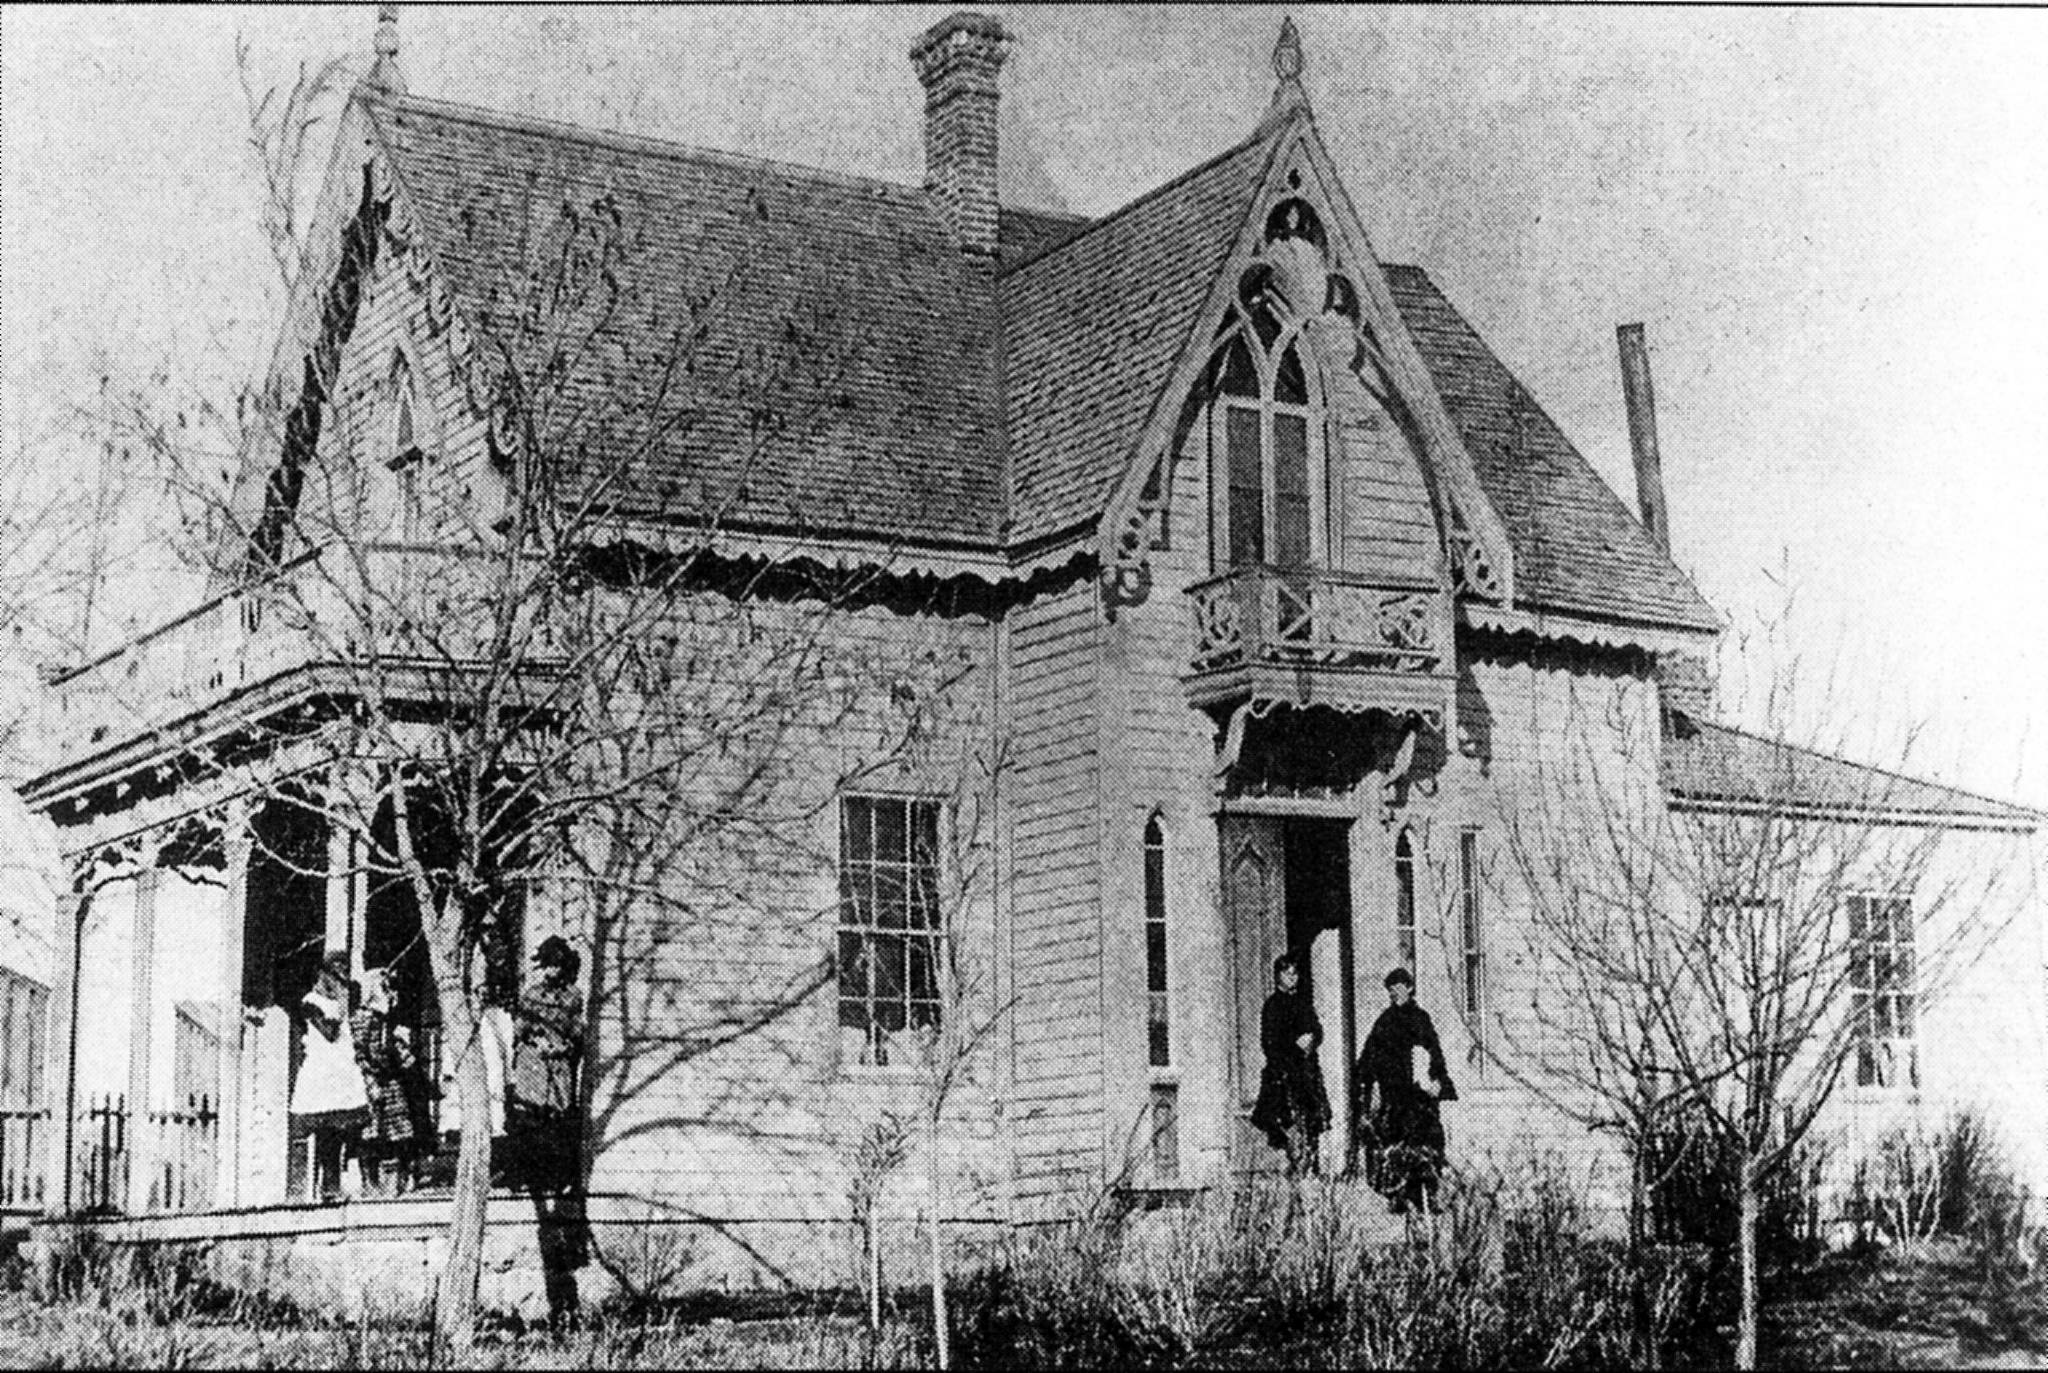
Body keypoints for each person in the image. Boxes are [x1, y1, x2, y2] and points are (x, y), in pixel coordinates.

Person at [1357, 967, 1457, 1214]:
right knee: (1396, 1148)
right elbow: (1368, 1058)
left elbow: (1434, 1054)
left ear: (1410, 988)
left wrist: (1437, 1081)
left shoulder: (1420, 1019)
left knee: (1425, 1146)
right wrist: (1370, 1087)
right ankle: (1401, 1198)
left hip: (1419, 1099)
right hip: (1395, 1097)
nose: (1394, 994)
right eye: (1391, 990)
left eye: (1399, 988)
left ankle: (1429, 1196)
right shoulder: (1385, 1021)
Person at [510, 935, 584, 1196]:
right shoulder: (532, 996)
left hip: (559, 1063)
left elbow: (577, 1032)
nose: (553, 969)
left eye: (557, 964)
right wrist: (535, 1039)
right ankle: (531, 1179)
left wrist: (562, 1047)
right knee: (531, 1120)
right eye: (548, 964)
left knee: (558, 1122)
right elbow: (520, 1029)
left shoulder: (573, 997)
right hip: (534, 1064)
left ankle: (557, 1178)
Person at [289, 951, 367, 1200]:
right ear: (323, 975)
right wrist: (342, 1006)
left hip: (343, 1073)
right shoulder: (310, 1003)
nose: (339, 982)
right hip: (323, 1075)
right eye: (334, 975)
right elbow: (329, 1032)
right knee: (326, 1132)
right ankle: (328, 1187)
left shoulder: (341, 1003)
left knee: (348, 1129)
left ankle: (345, 1181)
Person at [1249, 950, 1331, 1177]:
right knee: (1283, 1129)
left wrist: (1312, 1039)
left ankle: (1309, 1171)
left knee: (1311, 1124)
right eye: (1287, 973)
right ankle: (1286, 1176)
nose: (1292, 977)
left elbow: (1317, 1029)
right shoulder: (1272, 1006)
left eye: (1295, 973)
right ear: (1278, 976)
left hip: (1306, 1074)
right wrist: (1295, 1047)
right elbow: (1269, 1043)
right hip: (1283, 1075)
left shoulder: (1303, 1003)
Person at [351, 964, 431, 1195]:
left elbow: (393, 1048)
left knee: (400, 1129)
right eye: (386, 989)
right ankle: (369, 1182)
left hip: (391, 1078)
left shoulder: (388, 1019)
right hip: (372, 1080)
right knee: (370, 1131)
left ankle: (398, 1180)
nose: (391, 994)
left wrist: (406, 1059)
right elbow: (359, 1053)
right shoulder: (363, 1018)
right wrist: (369, 1080)